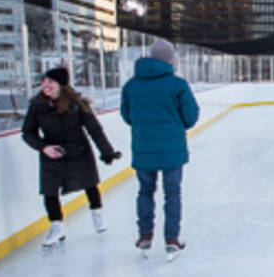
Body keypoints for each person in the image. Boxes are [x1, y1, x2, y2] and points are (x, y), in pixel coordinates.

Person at [22, 67, 121, 248]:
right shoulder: (37, 106)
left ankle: (97, 215)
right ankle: (56, 226)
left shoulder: (77, 104)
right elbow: (28, 133)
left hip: (79, 150)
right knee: (49, 191)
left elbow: (94, 129)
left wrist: (106, 151)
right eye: (44, 82)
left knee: (90, 184)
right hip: (53, 153)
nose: (46, 85)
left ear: (61, 85)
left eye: (50, 82)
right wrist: (44, 148)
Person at [121, 39, 199, 262]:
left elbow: (128, 116)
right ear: (170, 59)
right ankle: (171, 239)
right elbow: (191, 117)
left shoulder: (131, 86)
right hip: (172, 150)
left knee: (145, 191)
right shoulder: (178, 85)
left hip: (143, 148)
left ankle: (145, 235)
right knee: (172, 193)